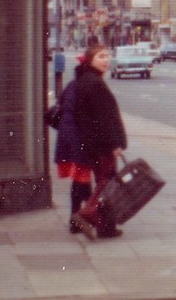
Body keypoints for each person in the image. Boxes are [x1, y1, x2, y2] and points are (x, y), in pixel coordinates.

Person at [70, 43, 128, 240]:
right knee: (107, 182)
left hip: (92, 144)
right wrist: (114, 145)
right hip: (102, 145)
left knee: (104, 181)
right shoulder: (94, 83)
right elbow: (104, 119)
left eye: (107, 56)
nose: (106, 60)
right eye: (101, 56)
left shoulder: (86, 80)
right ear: (91, 60)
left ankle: (106, 228)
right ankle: (87, 213)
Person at [53, 59, 92, 235]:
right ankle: (83, 217)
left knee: (80, 178)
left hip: (67, 137)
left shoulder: (72, 85)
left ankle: (78, 218)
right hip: (78, 137)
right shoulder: (86, 87)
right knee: (82, 178)